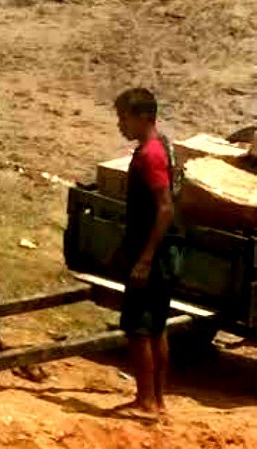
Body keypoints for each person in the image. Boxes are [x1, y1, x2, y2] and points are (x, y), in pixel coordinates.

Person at [114, 88, 179, 417]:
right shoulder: (162, 146)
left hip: (152, 256)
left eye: (123, 117)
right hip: (164, 256)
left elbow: (165, 209)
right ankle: (159, 400)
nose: (119, 125)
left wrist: (144, 258)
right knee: (157, 327)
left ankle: (146, 402)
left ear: (142, 117)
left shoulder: (150, 155)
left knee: (139, 329)